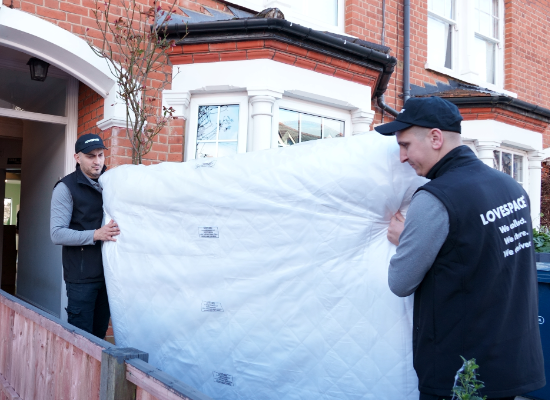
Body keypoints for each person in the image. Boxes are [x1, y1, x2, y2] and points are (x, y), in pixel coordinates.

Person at [375, 96, 545, 400]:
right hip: (510, 363)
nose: (402, 157)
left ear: (435, 138)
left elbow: (400, 282)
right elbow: (485, 257)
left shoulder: (435, 198)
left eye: (405, 145)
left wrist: (406, 239)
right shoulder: (511, 188)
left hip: (461, 374)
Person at [50, 133, 120, 339]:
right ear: (77, 157)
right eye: (90, 156)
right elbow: (57, 234)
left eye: (100, 155)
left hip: (110, 275)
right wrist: (96, 234)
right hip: (81, 279)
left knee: (100, 337)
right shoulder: (65, 188)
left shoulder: (112, 183)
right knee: (81, 340)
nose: (97, 161)